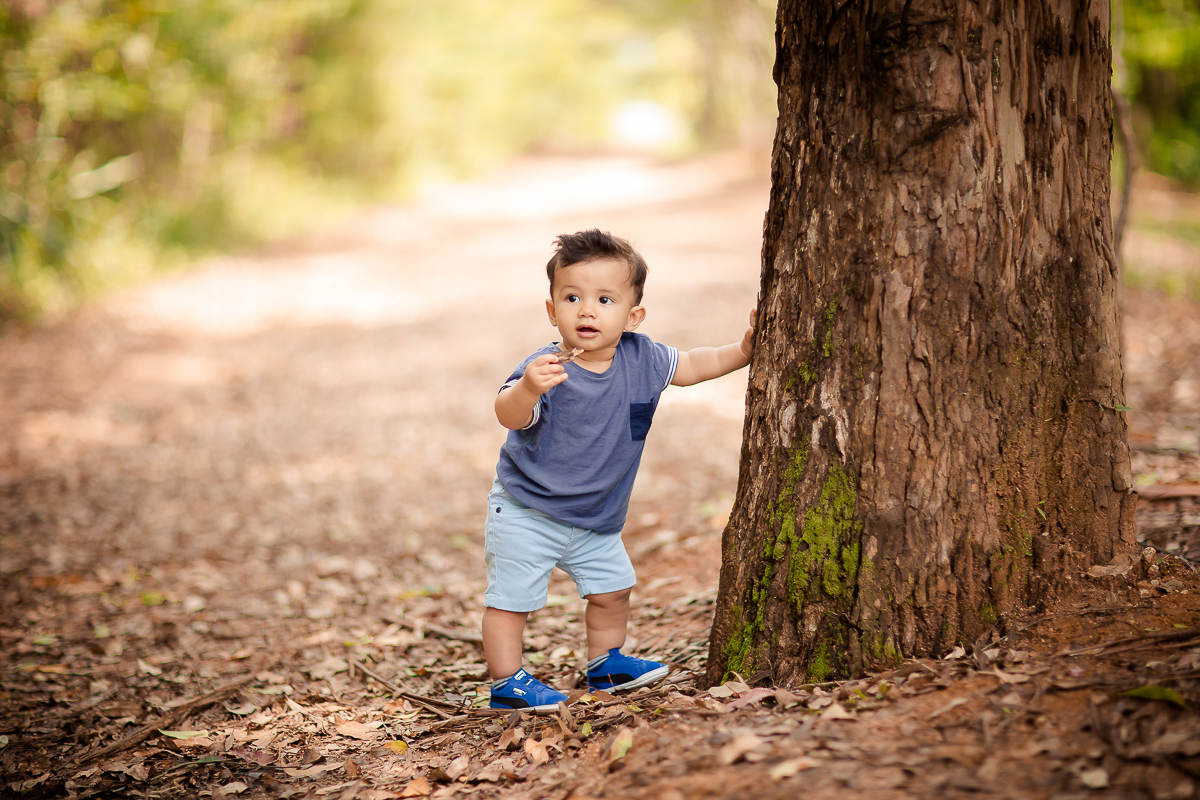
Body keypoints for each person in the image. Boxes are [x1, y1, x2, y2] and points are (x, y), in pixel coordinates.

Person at [484, 229, 755, 712]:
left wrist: (744, 350)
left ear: (632, 316)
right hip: (528, 509)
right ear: (552, 310)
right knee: (512, 600)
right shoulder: (546, 368)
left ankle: (605, 665)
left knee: (613, 590)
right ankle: (507, 682)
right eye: (572, 298)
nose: (587, 311)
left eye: (604, 299)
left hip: (596, 517)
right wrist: (527, 389)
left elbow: (694, 364)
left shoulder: (642, 357)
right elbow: (509, 413)